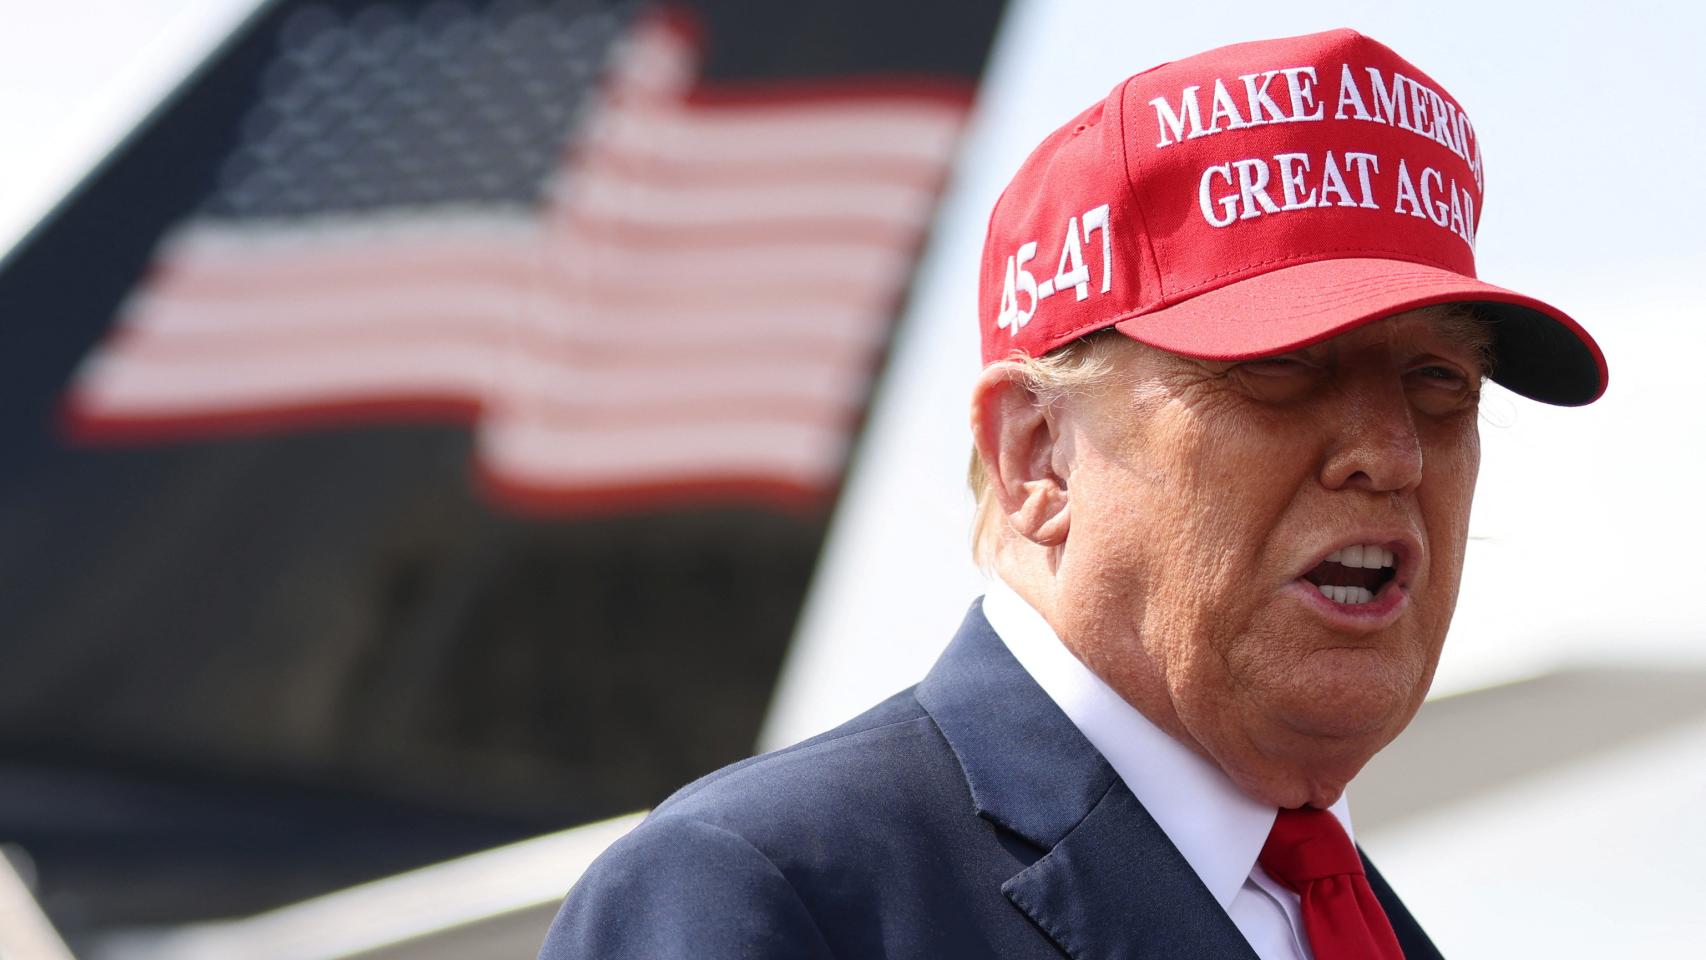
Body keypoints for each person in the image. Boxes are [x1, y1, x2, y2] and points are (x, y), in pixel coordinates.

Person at [538, 28, 1605, 960]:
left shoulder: (1351, 921)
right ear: (1036, 454)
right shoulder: (763, 896)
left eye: (1439, 383)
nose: (1392, 453)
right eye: (1281, 365)